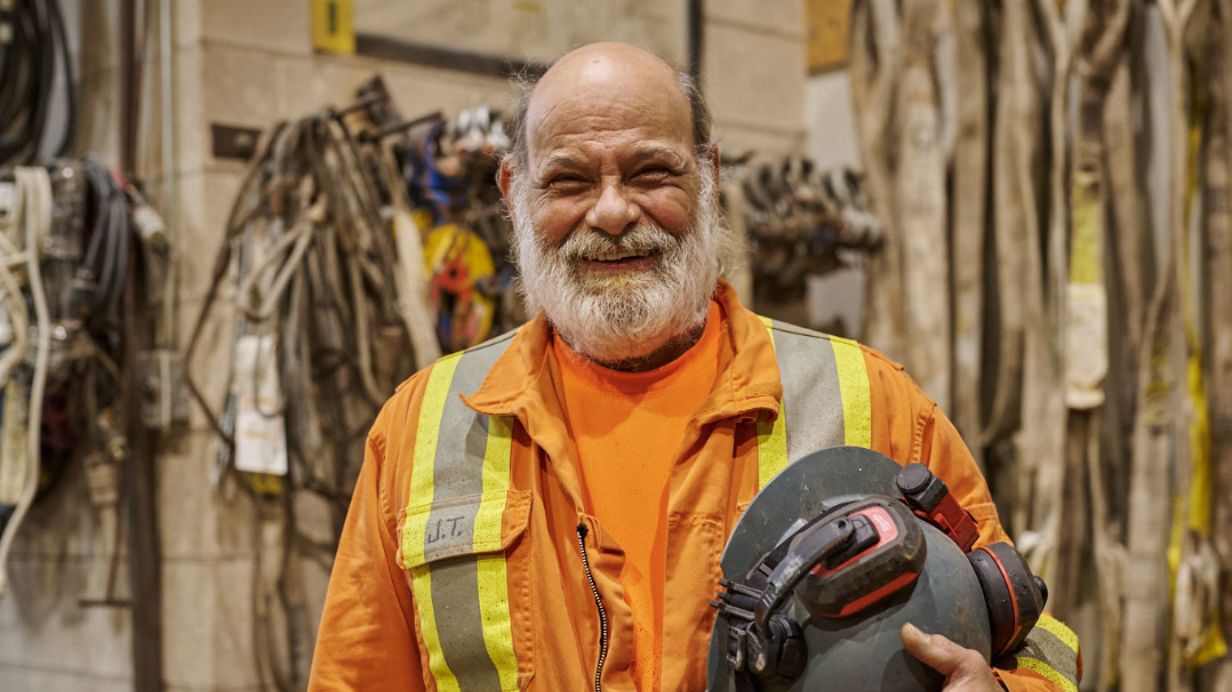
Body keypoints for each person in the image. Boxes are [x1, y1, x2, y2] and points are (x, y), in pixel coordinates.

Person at [308, 42, 1078, 692]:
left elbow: (1032, 635)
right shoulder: (421, 430)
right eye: (570, 180)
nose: (612, 213)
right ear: (514, 192)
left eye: (650, 173)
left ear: (707, 177)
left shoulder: (870, 401)